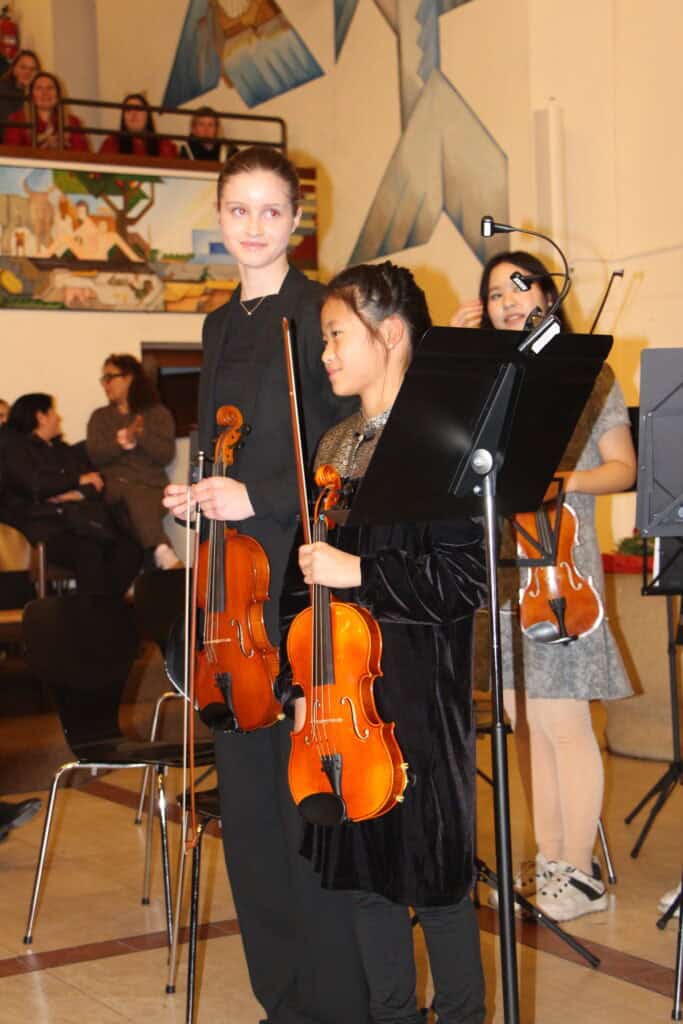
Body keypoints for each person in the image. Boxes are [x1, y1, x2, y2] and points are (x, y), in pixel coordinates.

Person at [162, 145, 370, 1024]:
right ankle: (281, 1003)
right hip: (230, 599)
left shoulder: (319, 314)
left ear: (295, 220)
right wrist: (196, 498)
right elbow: (218, 446)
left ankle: (338, 1005)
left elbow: (347, 451)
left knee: (303, 812)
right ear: (219, 217)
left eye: (271, 211)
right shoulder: (216, 325)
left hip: (299, 590)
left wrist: (261, 496)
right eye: (238, 210)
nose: (253, 226)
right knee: (247, 820)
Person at [277, 261, 487, 1024]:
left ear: (390, 333)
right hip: (340, 701)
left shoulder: (441, 443)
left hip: (418, 703)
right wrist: (298, 688)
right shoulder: (333, 445)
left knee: (436, 886)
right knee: (366, 882)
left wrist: (360, 571)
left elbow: (462, 582)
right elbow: (298, 581)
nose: (325, 353)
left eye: (337, 335)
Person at [452, 250, 636, 922]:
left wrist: (564, 481)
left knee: (563, 723)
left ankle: (579, 871)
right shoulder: (493, 380)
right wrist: (459, 357)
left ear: (548, 294)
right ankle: (551, 860)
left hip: (562, 572)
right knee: (524, 725)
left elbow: (622, 467)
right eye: (494, 293)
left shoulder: (590, 374)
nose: (506, 301)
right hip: (503, 571)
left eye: (519, 286)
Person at [2, 393, 141, 596]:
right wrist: (76, 481)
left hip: (79, 522)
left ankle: (104, 607)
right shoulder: (17, 450)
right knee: (89, 552)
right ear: (41, 417)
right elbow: (36, 485)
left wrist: (75, 493)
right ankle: (93, 610)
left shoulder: (64, 450)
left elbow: (95, 482)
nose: (58, 418)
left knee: (130, 550)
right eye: (53, 412)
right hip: (46, 527)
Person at [87, 354, 180, 571]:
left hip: (153, 488)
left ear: (129, 378)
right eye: (103, 379)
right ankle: (162, 550)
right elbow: (95, 454)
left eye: (110, 377)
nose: (105, 384)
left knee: (138, 502)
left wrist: (140, 436)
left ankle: (147, 568)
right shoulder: (100, 417)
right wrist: (121, 442)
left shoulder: (157, 413)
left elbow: (165, 454)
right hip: (115, 489)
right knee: (133, 494)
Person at [3, 71, 89, 151]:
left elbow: (83, 156)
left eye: (50, 88)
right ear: (31, 95)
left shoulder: (73, 122)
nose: (45, 93)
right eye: (39, 88)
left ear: (58, 94)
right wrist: (41, 147)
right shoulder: (17, 119)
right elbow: (12, 153)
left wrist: (61, 148)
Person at [99, 93, 176, 158]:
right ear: (123, 117)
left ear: (147, 115)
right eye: (128, 110)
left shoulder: (163, 144)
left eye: (138, 109)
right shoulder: (112, 143)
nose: (133, 114)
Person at [0, 48, 40, 141]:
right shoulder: (2, 90)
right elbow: (9, 126)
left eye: (32, 69)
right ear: (13, 68)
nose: (27, 72)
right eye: (23, 67)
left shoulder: (40, 92)